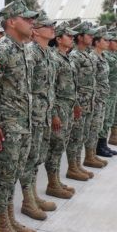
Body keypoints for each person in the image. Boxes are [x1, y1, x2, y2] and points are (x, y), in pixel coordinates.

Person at [0, 0, 38, 232]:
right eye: (26, 19)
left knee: (14, 174)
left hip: (23, 123)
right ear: (11, 22)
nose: (31, 23)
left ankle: (10, 219)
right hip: (7, 126)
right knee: (2, 177)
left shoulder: (24, 49)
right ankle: (2, 223)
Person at [19, 10, 57, 221]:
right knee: (29, 158)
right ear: (35, 32)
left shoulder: (47, 53)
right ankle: (27, 200)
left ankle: (33, 194)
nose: (52, 29)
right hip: (31, 116)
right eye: (47, 25)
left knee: (36, 158)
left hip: (44, 115)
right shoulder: (31, 53)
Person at [45, 21, 81, 196]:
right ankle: (52, 184)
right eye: (69, 35)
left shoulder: (67, 57)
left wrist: (75, 104)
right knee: (56, 146)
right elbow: (50, 88)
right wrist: (54, 114)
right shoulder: (54, 59)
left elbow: (71, 85)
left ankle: (57, 180)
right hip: (58, 108)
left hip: (68, 106)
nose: (72, 38)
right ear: (59, 39)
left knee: (61, 145)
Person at [68, 22, 104, 173]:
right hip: (79, 103)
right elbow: (72, 82)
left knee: (82, 135)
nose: (91, 37)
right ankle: (72, 168)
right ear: (80, 37)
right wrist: (76, 103)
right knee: (75, 137)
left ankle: (78, 165)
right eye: (88, 35)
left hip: (89, 101)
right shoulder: (75, 56)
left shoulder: (86, 55)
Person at [89, 28, 113, 157]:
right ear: (97, 42)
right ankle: (93, 152)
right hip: (95, 98)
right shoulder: (93, 57)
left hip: (103, 97)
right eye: (105, 40)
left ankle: (100, 147)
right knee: (94, 127)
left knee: (100, 123)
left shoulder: (102, 56)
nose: (108, 42)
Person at [105, 33, 117, 146]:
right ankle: (100, 145)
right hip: (107, 93)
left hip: (114, 92)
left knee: (112, 115)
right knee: (106, 118)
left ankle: (114, 135)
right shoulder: (106, 56)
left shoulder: (113, 55)